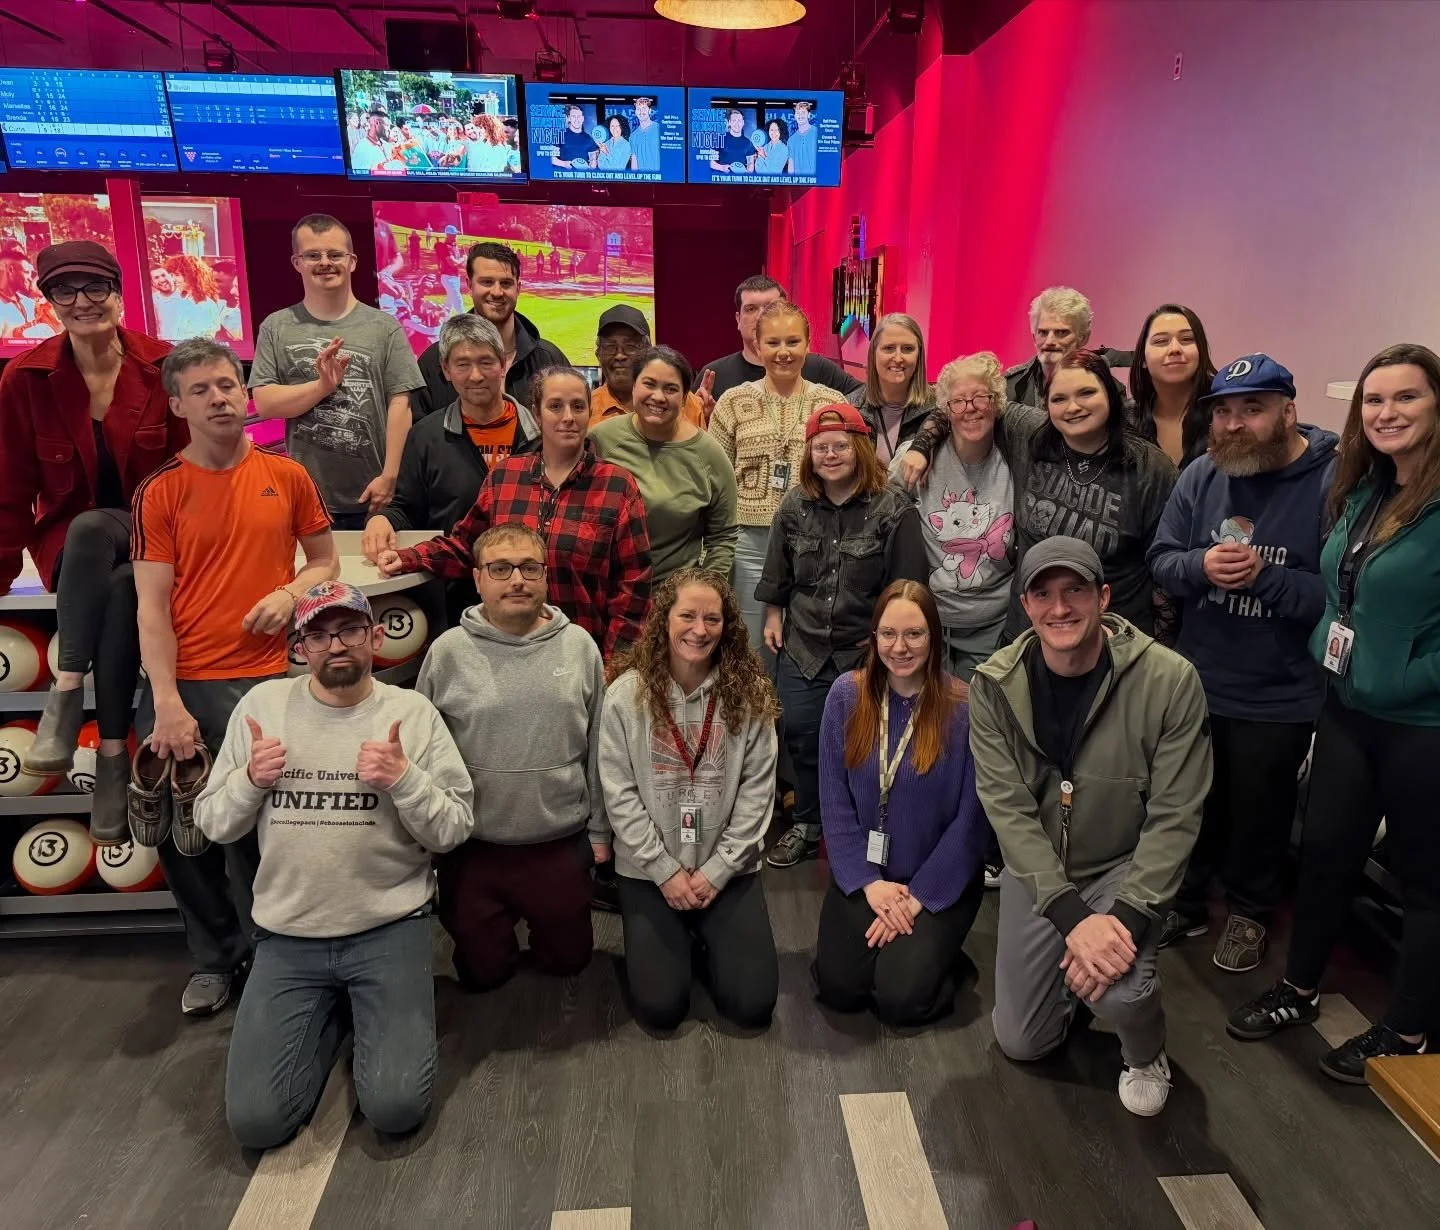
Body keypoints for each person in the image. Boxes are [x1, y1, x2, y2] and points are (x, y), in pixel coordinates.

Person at [196, 580, 473, 1149]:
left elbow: (452, 829)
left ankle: (359, 1007)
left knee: (395, 1109)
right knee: (257, 1123)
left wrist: (404, 780)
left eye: (349, 630)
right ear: (298, 648)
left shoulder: (411, 713)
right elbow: (214, 824)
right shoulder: (263, 707)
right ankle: (335, 1013)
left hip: (389, 928)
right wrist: (250, 782)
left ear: (374, 636)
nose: (336, 645)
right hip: (287, 936)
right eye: (317, 635)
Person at [1227, 343, 1440, 1082]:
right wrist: (1329, 644)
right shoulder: (1364, 490)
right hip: (1347, 709)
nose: (1388, 413)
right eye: (1375, 401)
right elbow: (1342, 590)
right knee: (1325, 855)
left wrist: (1407, 676)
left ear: (1436, 406)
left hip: (1424, 727)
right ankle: (1300, 987)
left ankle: (1408, 1030)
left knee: (1425, 881)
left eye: (1406, 398)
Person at [131, 339, 338, 1017]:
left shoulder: (288, 476)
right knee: (184, 839)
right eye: (202, 390)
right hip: (183, 686)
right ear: (177, 404)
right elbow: (151, 609)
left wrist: (290, 593)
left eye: (227, 385)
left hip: (268, 684)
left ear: (245, 392)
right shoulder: (160, 491)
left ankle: (275, 954)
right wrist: (166, 702)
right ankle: (216, 957)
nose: (219, 398)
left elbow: (324, 562)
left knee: (266, 830)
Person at [969, 537, 1211, 1117]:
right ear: (1024, 605)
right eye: (1044, 594)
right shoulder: (993, 687)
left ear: (1103, 597)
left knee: (1124, 994)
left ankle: (1146, 1051)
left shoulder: (1170, 681)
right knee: (1023, 1043)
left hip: (1123, 866)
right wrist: (1073, 920)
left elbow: (1176, 816)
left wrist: (1120, 919)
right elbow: (1009, 813)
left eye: (1075, 590)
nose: (1060, 609)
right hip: (1043, 875)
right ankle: (1074, 971)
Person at [1147, 355, 1336, 970]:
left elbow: (1339, 597)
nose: (1233, 424)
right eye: (1224, 411)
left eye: (1251, 409)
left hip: (1280, 692)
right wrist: (1200, 567)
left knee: (1261, 812)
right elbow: (1163, 560)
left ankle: (1252, 915)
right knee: (1189, 800)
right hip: (1198, 678)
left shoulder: (1331, 481)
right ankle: (1189, 899)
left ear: (1288, 410)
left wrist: (1269, 580)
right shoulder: (1202, 473)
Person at [1, 242, 187, 843]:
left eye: (95, 288)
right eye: (65, 291)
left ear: (118, 291)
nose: (83, 302)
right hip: (76, 552)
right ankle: (111, 756)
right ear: (48, 301)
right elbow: (9, 486)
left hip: (156, 532)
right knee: (102, 556)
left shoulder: (164, 365)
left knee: (129, 570)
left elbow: (192, 467)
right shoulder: (24, 378)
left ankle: (69, 694)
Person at [418, 524, 606, 990]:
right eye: (500, 569)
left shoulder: (580, 646)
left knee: (568, 962)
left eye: (529, 567)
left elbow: (601, 745)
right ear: (478, 578)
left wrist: (600, 830)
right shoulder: (447, 652)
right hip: (473, 844)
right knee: (483, 975)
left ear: (546, 576)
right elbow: (421, 748)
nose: (516, 580)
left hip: (558, 838)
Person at [600, 569, 780, 1031]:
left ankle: (705, 934)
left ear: (727, 627)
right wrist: (665, 872)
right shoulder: (625, 697)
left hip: (727, 868)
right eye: (687, 616)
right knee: (661, 1008)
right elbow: (618, 796)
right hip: (649, 870)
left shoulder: (750, 694)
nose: (699, 630)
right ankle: (683, 936)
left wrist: (718, 871)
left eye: (712, 619)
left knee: (752, 1005)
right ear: (664, 619)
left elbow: (758, 792)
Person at [378, 367, 651, 660]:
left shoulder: (616, 485)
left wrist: (614, 669)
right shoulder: (505, 476)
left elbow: (633, 588)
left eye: (578, 406)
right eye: (555, 406)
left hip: (580, 656)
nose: (568, 417)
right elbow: (467, 548)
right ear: (536, 414)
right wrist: (408, 558)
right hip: (505, 651)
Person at [906, 349, 1177, 640]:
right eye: (1060, 398)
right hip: (1027, 637)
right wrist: (921, 446)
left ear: (1111, 395)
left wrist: (1156, 650)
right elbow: (964, 403)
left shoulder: (1150, 468)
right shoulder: (1031, 433)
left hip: (1112, 641)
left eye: (1086, 393)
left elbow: (1166, 571)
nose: (1073, 407)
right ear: (1046, 405)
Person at [758, 405, 927, 869]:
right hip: (804, 645)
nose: (830, 455)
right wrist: (772, 614)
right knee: (800, 734)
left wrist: (889, 646)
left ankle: (866, 831)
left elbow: (908, 589)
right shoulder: (794, 505)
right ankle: (808, 826)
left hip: (868, 651)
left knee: (872, 743)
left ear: (859, 447)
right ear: (809, 454)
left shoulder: (894, 509)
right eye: (820, 447)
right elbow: (778, 569)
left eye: (839, 445)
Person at [815, 581, 989, 1024]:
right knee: (839, 989)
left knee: (899, 999)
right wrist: (868, 883)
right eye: (888, 634)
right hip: (868, 876)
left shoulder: (965, 708)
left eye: (914, 634)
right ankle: (911, 953)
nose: (900, 647)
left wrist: (917, 899)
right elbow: (834, 804)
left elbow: (972, 823)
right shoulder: (845, 696)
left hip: (935, 882)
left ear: (934, 638)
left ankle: (940, 958)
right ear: (874, 638)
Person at [250, 214, 423, 529]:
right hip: (306, 499)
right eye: (313, 255)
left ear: (352, 261)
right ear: (296, 262)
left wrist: (390, 476)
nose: (324, 262)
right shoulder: (277, 326)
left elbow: (401, 404)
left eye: (335, 254)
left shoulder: (384, 327)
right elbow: (265, 402)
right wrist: (322, 386)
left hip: (374, 497)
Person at [362, 314, 536, 618]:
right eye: (463, 364)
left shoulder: (538, 434)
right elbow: (407, 507)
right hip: (453, 598)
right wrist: (383, 519)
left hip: (527, 591)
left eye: (486, 362)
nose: (476, 376)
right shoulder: (426, 436)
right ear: (445, 370)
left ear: (504, 363)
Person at [709, 301, 847, 655]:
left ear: (807, 343)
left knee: (808, 646)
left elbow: (848, 474)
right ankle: (756, 712)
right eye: (773, 343)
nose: (783, 352)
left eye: (792, 342)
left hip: (816, 541)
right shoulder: (732, 401)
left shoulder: (831, 403)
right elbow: (715, 481)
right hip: (750, 544)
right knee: (751, 648)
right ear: (757, 344)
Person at [890, 353, 1016, 682]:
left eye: (980, 398)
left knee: (979, 720)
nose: (970, 408)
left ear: (997, 402)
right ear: (944, 410)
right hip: (929, 623)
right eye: (958, 400)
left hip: (992, 625)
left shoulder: (1015, 460)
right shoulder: (915, 458)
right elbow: (881, 518)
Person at [588, 347, 737, 585]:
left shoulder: (709, 455)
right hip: (606, 593)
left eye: (671, 389)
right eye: (649, 384)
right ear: (634, 386)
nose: (658, 397)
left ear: (686, 396)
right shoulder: (600, 439)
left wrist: (706, 591)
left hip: (674, 600)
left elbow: (723, 536)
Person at [412, 241, 569, 416]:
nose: (497, 292)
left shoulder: (549, 359)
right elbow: (418, 437)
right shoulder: (434, 361)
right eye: (487, 282)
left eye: (506, 283)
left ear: (518, 288)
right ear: (469, 285)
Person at [696, 275, 860, 409]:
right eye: (751, 309)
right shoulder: (713, 375)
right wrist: (703, 421)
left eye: (770, 307)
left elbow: (864, 396)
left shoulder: (816, 367)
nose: (761, 316)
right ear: (738, 319)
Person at [1004, 287, 1132, 409]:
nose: (1049, 341)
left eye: (1061, 332)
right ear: (1033, 337)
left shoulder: (1109, 389)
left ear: (1083, 338)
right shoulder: (1008, 387)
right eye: (1043, 332)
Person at [1127, 303, 1218, 469]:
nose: (1175, 349)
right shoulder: (1126, 421)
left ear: (1201, 351)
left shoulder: (1226, 413)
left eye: (1187, 339)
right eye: (1161, 341)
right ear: (1142, 359)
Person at [589, 305, 705, 427]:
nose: (619, 355)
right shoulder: (585, 410)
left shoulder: (688, 404)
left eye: (630, 346)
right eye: (610, 347)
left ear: (648, 352)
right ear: (598, 355)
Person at [846, 312, 934, 464]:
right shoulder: (850, 408)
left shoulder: (940, 409)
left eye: (907, 349)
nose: (898, 358)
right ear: (874, 353)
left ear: (919, 355)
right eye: (889, 348)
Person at [554, 105, 599, 169]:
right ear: (569, 118)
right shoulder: (560, 135)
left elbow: (593, 160)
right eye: (573, 116)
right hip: (563, 177)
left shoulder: (589, 139)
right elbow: (551, 158)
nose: (576, 119)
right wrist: (563, 164)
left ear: (583, 118)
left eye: (579, 116)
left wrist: (592, 165)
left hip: (582, 178)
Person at [434, 225, 465, 316]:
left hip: (455, 277)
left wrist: (464, 259)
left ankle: (444, 320)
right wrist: (463, 258)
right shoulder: (446, 247)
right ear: (448, 235)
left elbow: (460, 264)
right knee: (457, 299)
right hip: (448, 277)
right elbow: (453, 263)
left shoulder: (454, 247)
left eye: (456, 234)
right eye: (453, 234)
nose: (455, 236)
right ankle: (466, 320)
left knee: (450, 302)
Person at [785, 100, 818, 176]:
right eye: (797, 113)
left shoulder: (817, 134)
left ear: (809, 115)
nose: (800, 116)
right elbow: (791, 165)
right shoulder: (791, 140)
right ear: (795, 116)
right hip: (798, 183)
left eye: (803, 112)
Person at [629, 96, 660, 171]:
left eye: (644, 108)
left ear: (649, 111)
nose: (641, 112)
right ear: (636, 112)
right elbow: (634, 160)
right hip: (643, 179)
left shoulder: (659, 129)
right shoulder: (633, 136)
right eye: (638, 109)